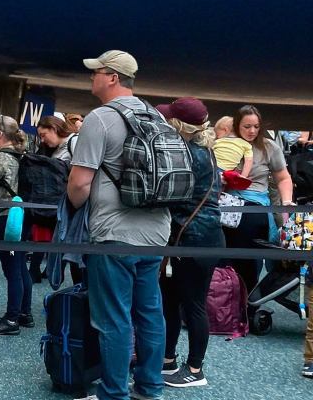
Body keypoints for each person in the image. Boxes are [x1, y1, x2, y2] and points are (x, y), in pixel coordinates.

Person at [66, 49, 168, 400]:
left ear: (112, 77)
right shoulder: (156, 115)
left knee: (113, 319)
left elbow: (80, 184)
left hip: (113, 233)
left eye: (97, 72)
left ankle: (113, 393)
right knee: (149, 313)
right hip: (156, 232)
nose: (91, 77)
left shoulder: (100, 118)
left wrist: (72, 207)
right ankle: (150, 387)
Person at [158, 97, 225, 389]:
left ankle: (195, 369)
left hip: (191, 236)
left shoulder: (185, 153)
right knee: (174, 301)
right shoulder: (207, 151)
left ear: (178, 125)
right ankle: (168, 360)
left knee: (191, 304)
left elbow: (171, 194)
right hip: (203, 236)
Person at [222, 105, 295, 293]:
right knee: (225, 262)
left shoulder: (270, 147)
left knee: (249, 264)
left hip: (255, 208)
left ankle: (247, 308)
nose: (252, 131)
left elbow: (283, 177)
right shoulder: (224, 144)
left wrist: (286, 203)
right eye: (247, 126)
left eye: (256, 126)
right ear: (237, 125)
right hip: (226, 206)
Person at [0, 115, 33, 336]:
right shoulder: (20, 155)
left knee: (12, 269)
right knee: (20, 267)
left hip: (6, 216)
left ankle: (11, 319)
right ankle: (24, 312)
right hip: (22, 215)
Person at [30, 116, 78, 283]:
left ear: (54, 129)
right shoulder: (55, 148)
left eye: (44, 135)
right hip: (63, 204)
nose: (42, 140)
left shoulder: (74, 143)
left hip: (74, 204)